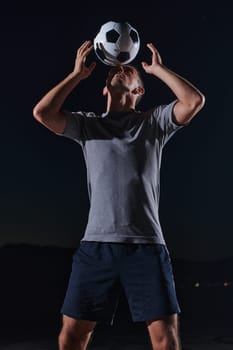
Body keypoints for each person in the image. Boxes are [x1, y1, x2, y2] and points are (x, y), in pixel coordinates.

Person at [33, 40, 205, 350]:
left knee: (165, 339)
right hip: (96, 247)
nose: (122, 68)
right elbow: (43, 112)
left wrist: (158, 70)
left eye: (131, 71)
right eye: (116, 70)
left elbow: (193, 101)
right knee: (72, 336)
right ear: (104, 90)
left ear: (140, 91)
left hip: (147, 247)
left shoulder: (153, 123)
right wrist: (76, 75)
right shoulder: (88, 125)